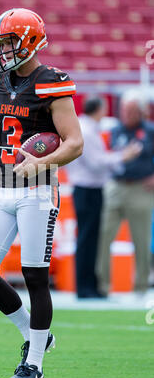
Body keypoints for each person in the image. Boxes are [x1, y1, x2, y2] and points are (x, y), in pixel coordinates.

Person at [0, 8, 83, 378]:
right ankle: (34, 336)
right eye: (2, 43)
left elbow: (75, 143)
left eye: (9, 42)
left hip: (39, 192)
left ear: (29, 40)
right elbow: (0, 133)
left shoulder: (51, 82)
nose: (4, 50)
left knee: (35, 277)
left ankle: (34, 365)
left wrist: (43, 164)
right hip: (3, 188)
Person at [66, 96, 141, 299]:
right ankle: (85, 287)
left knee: (90, 238)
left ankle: (88, 286)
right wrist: (123, 156)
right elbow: (96, 163)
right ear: (100, 109)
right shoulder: (88, 131)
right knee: (87, 238)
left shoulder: (86, 128)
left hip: (87, 189)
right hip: (87, 189)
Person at [96, 90, 154, 297]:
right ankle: (103, 285)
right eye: (125, 110)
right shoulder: (114, 130)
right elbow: (107, 156)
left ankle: (140, 286)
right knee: (104, 235)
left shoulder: (150, 130)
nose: (127, 114)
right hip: (116, 186)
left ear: (141, 112)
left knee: (141, 239)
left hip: (141, 188)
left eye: (131, 111)